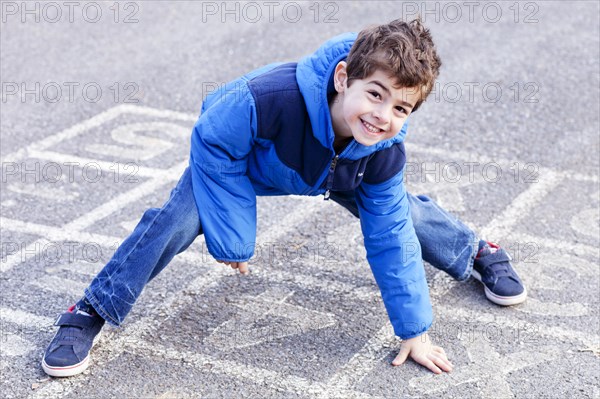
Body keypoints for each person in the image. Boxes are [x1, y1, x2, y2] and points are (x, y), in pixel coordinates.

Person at [42, 18, 526, 378]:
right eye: (375, 95)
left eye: (400, 107)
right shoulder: (263, 97)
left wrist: (414, 330)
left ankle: (477, 251)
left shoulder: (381, 150)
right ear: (343, 78)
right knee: (175, 219)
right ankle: (91, 309)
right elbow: (212, 140)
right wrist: (233, 235)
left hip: (335, 171)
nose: (383, 114)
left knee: (402, 215)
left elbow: (391, 240)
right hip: (241, 165)